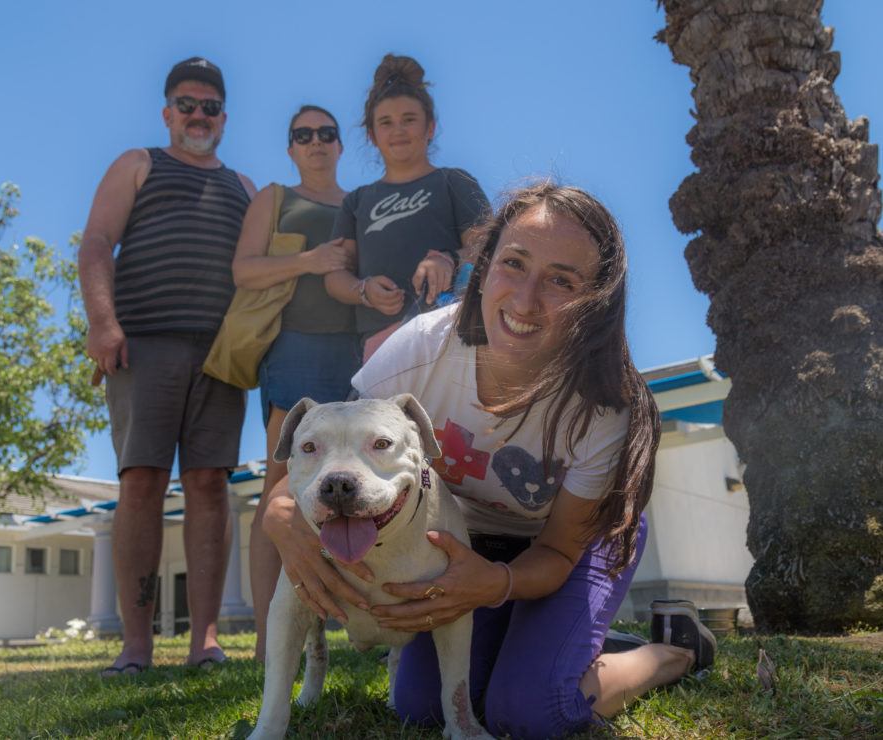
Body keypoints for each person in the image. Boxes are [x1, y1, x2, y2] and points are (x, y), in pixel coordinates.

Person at [263, 183, 718, 738]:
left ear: (595, 300)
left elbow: (554, 551)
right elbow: (333, 460)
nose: (525, 301)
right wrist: (278, 518)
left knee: (531, 712)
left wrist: (494, 585)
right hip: (465, 542)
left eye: (560, 281)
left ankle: (672, 652)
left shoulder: (602, 406)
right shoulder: (415, 353)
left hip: (569, 542)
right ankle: (556, 643)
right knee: (422, 708)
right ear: (482, 267)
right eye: (513, 264)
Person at [78, 56, 256, 675]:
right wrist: (104, 323)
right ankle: (136, 646)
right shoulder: (138, 165)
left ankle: (204, 640)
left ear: (224, 118)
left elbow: (265, 272)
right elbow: (97, 242)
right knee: (141, 483)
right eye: (187, 104)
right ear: (167, 113)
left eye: (209, 107)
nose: (198, 115)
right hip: (143, 344)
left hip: (219, 356)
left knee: (211, 486)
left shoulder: (246, 188)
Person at [232, 105, 361, 663]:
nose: (315, 141)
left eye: (326, 133)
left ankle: (364, 629)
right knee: (281, 491)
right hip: (296, 347)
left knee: (359, 495)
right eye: (302, 134)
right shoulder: (275, 196)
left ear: (340, 143)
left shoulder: (360, 203)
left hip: (358, 354)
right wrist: (312, 260)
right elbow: (244, 270)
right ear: (290, 147)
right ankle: (269, 642)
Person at [325, 53, 491, 362]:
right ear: (372, 136)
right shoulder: (357, 200)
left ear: (430, 127)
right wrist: (363, 290)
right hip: (380, 345)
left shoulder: (454, 181)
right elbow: (335, 277)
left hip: (449, 332)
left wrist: (449, 260)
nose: (398, 130)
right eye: (386, 123)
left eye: (409, 119)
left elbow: (489, 247)